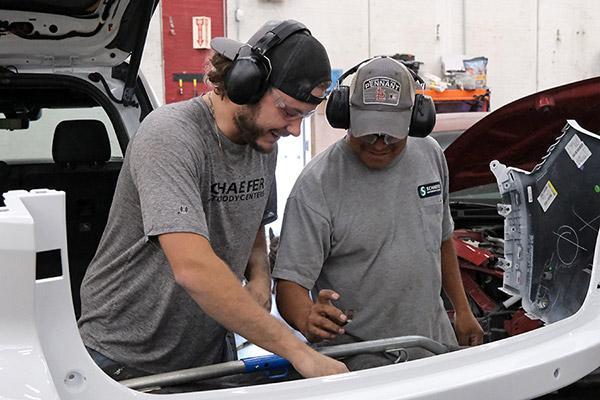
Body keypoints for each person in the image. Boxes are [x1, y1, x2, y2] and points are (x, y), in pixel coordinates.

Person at [77, 19, 348, 381]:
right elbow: (194, 268)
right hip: (121, 357)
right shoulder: (171, 136)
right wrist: (299, 351)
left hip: (206, 355)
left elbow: (252, 220)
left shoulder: (261, 141)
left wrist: (258, 275)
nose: (295, 129)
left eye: (304, 115)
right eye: (288, 111)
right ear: (247, 85)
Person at [273, 56, 484, 371]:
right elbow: (289, 284)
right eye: (369, 132)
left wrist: (463, 311)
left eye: (391, 134)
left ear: (414, 121)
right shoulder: (315, 186)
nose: (380, 144)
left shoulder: (430, 156)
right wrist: (306, 317)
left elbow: (441, 240)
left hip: (431, 348)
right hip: (360, 364)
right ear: (345, 115)